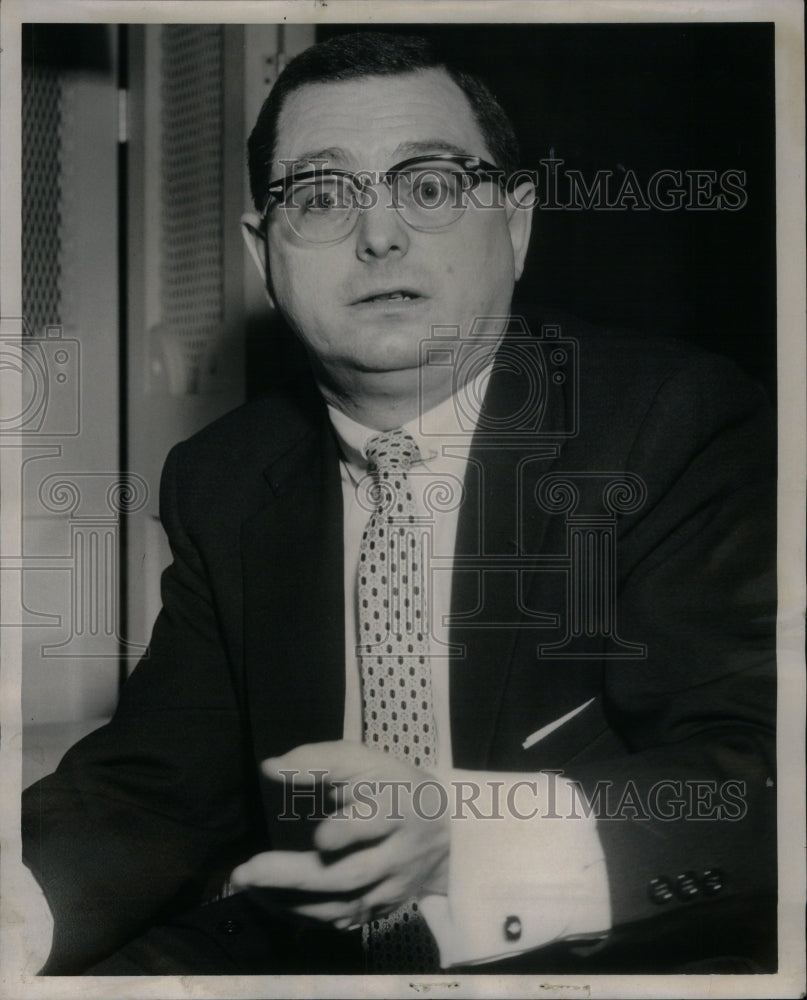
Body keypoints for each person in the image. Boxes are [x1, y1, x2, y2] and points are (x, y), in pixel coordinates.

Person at [21, 31, 776, 976]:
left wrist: (468, 839)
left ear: (513, 225)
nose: (378, 236)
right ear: (265, 255)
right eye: (322, 197)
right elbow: (150, 794)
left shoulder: (669, 425)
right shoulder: (222, 478)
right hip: (309, 953)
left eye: (428, 185)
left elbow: (754, 777)